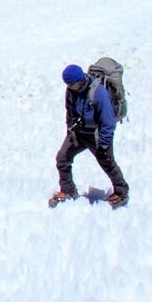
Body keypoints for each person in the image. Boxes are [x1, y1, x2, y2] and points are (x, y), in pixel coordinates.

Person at [49, 64, 129, 208]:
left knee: (107, 163)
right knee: (63, 158)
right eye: (69, 85)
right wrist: (70, 130)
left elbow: (108, 122)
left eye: (73, 85)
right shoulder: (71, 90)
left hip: (97, 136)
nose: (71, 88)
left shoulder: (98, 93)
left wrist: (104, 144)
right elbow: (70, 111)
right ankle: (68, 190)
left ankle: (122, 192)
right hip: (79, 134)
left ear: (81, 80)